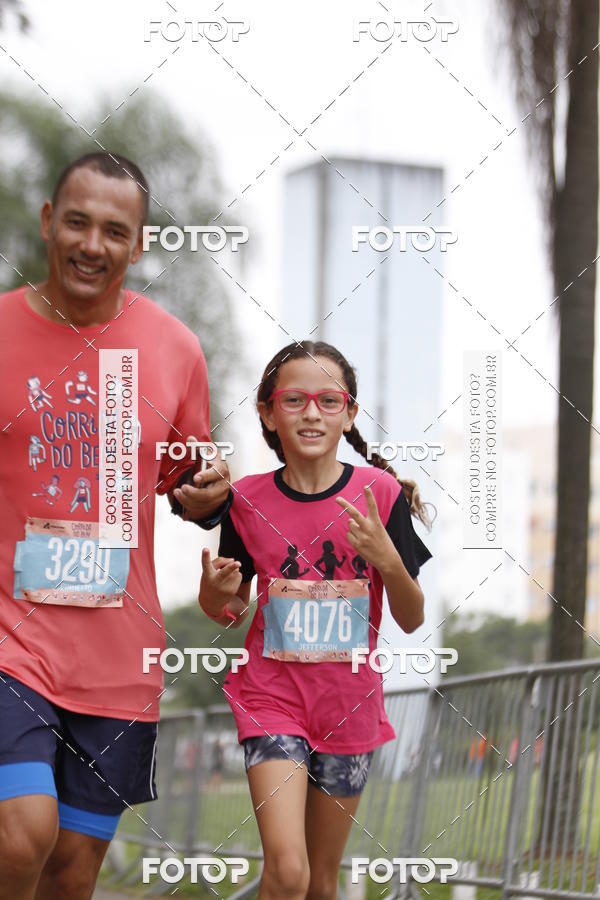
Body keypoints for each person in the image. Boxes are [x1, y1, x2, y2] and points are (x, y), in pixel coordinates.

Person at [0, 152, 232, 900]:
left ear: (137, 246)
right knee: (22, 830)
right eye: (76, 221)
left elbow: (187, 485)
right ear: (47, 223)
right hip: (11, 638)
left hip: (117, 654)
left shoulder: (176, 351)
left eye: (113, 230)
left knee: (71, 870)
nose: (91, 244)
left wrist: (206, 497)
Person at [199, 340, 433, 900]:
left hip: (348, 709)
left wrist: (388, 560)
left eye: (329, 401)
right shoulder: (245, 500)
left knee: (323, 882)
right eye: (295, 399)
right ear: (267, 412)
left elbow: (411, 615)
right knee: (288, 871)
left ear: (350, 412)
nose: (311, 412)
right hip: (271, 700)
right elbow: (229, 611)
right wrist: (213, 596)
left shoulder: (378, 494)